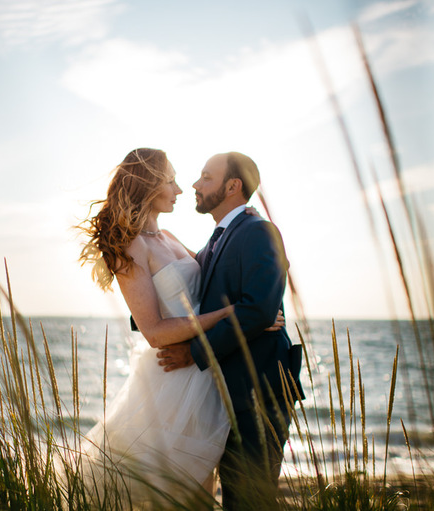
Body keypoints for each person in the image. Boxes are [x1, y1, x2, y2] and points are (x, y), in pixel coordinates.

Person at [77, 148, 283, 508]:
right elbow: (154, 330)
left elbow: (213, 277)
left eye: (196, 178)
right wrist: (231, 314)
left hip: (208, 374)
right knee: (173, 491)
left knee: (203, 490)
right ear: (148, 185)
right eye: (170, 180)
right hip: (174, 377)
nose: (181, 188)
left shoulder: (170, 236)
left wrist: (259, 311)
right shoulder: (131, 244)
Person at [156, 152, 303, 511]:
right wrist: (150, 324)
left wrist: (193, 353)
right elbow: (192, 298)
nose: (195, 184)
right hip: (226, 394)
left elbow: (258, 309)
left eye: (206, 177)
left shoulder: (258, 231)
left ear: (232, 186)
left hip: (259, 391)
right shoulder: (218, 239)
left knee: (249, 501)